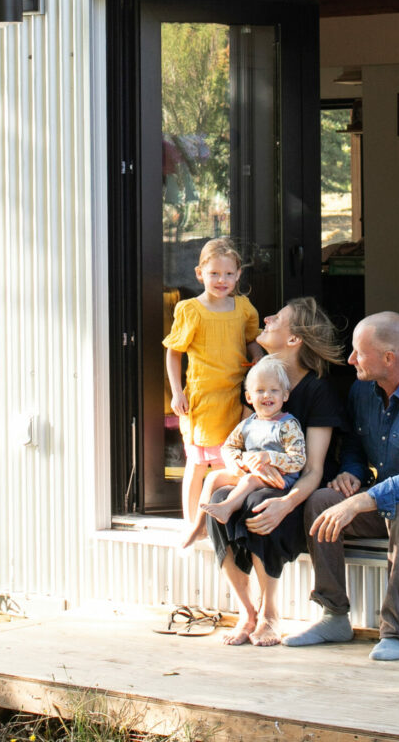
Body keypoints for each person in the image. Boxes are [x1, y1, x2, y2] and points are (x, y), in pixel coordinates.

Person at [284, 311, 399, 662]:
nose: (350, 360)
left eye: (358, 353)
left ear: (388, 358)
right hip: (381, 501)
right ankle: (333, 616)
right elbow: (354, 446)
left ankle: (394, 632)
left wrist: (361, 500)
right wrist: (351, 473)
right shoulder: (362, 391)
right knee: (321, 500)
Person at [204, 297, 349, 647]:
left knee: (262, 500)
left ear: (295, 339)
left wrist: (285, 504)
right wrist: (242, 463)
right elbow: (237, 445)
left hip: (297, 492)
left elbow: (313, 469)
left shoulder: (318, 391)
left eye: (277, 318)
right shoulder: (258, 383)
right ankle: (246, 612)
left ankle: (271, 614)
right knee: (219, 501)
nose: (266, 318)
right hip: (256, 482)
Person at [163, 238, 262, 536]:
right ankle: (190, 522)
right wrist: (176, 391)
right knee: (197, 463)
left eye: (228, 274)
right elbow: (174, 351)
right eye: (214, 274)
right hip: (203, 399)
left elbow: (251, 339)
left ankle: (212, 522)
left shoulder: (243, 307)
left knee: (225, 463)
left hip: (234, 396)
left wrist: (258, 358)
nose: (222, 280)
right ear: (199, 273)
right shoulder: (191, 309)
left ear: (239, 274)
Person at [206, 356, 306, 527]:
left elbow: (298, 460)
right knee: (213, 477)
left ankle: (226, 507)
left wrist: (270, 457)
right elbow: (228, 447)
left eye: (274, 390)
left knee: (249, 481)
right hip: (250, 472)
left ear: (285, 395)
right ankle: (201, 523)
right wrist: (237, 462)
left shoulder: (287, 425)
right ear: (249, 397)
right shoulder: (247, 424)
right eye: (260, 391)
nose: (267, 395)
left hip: (280, 479)